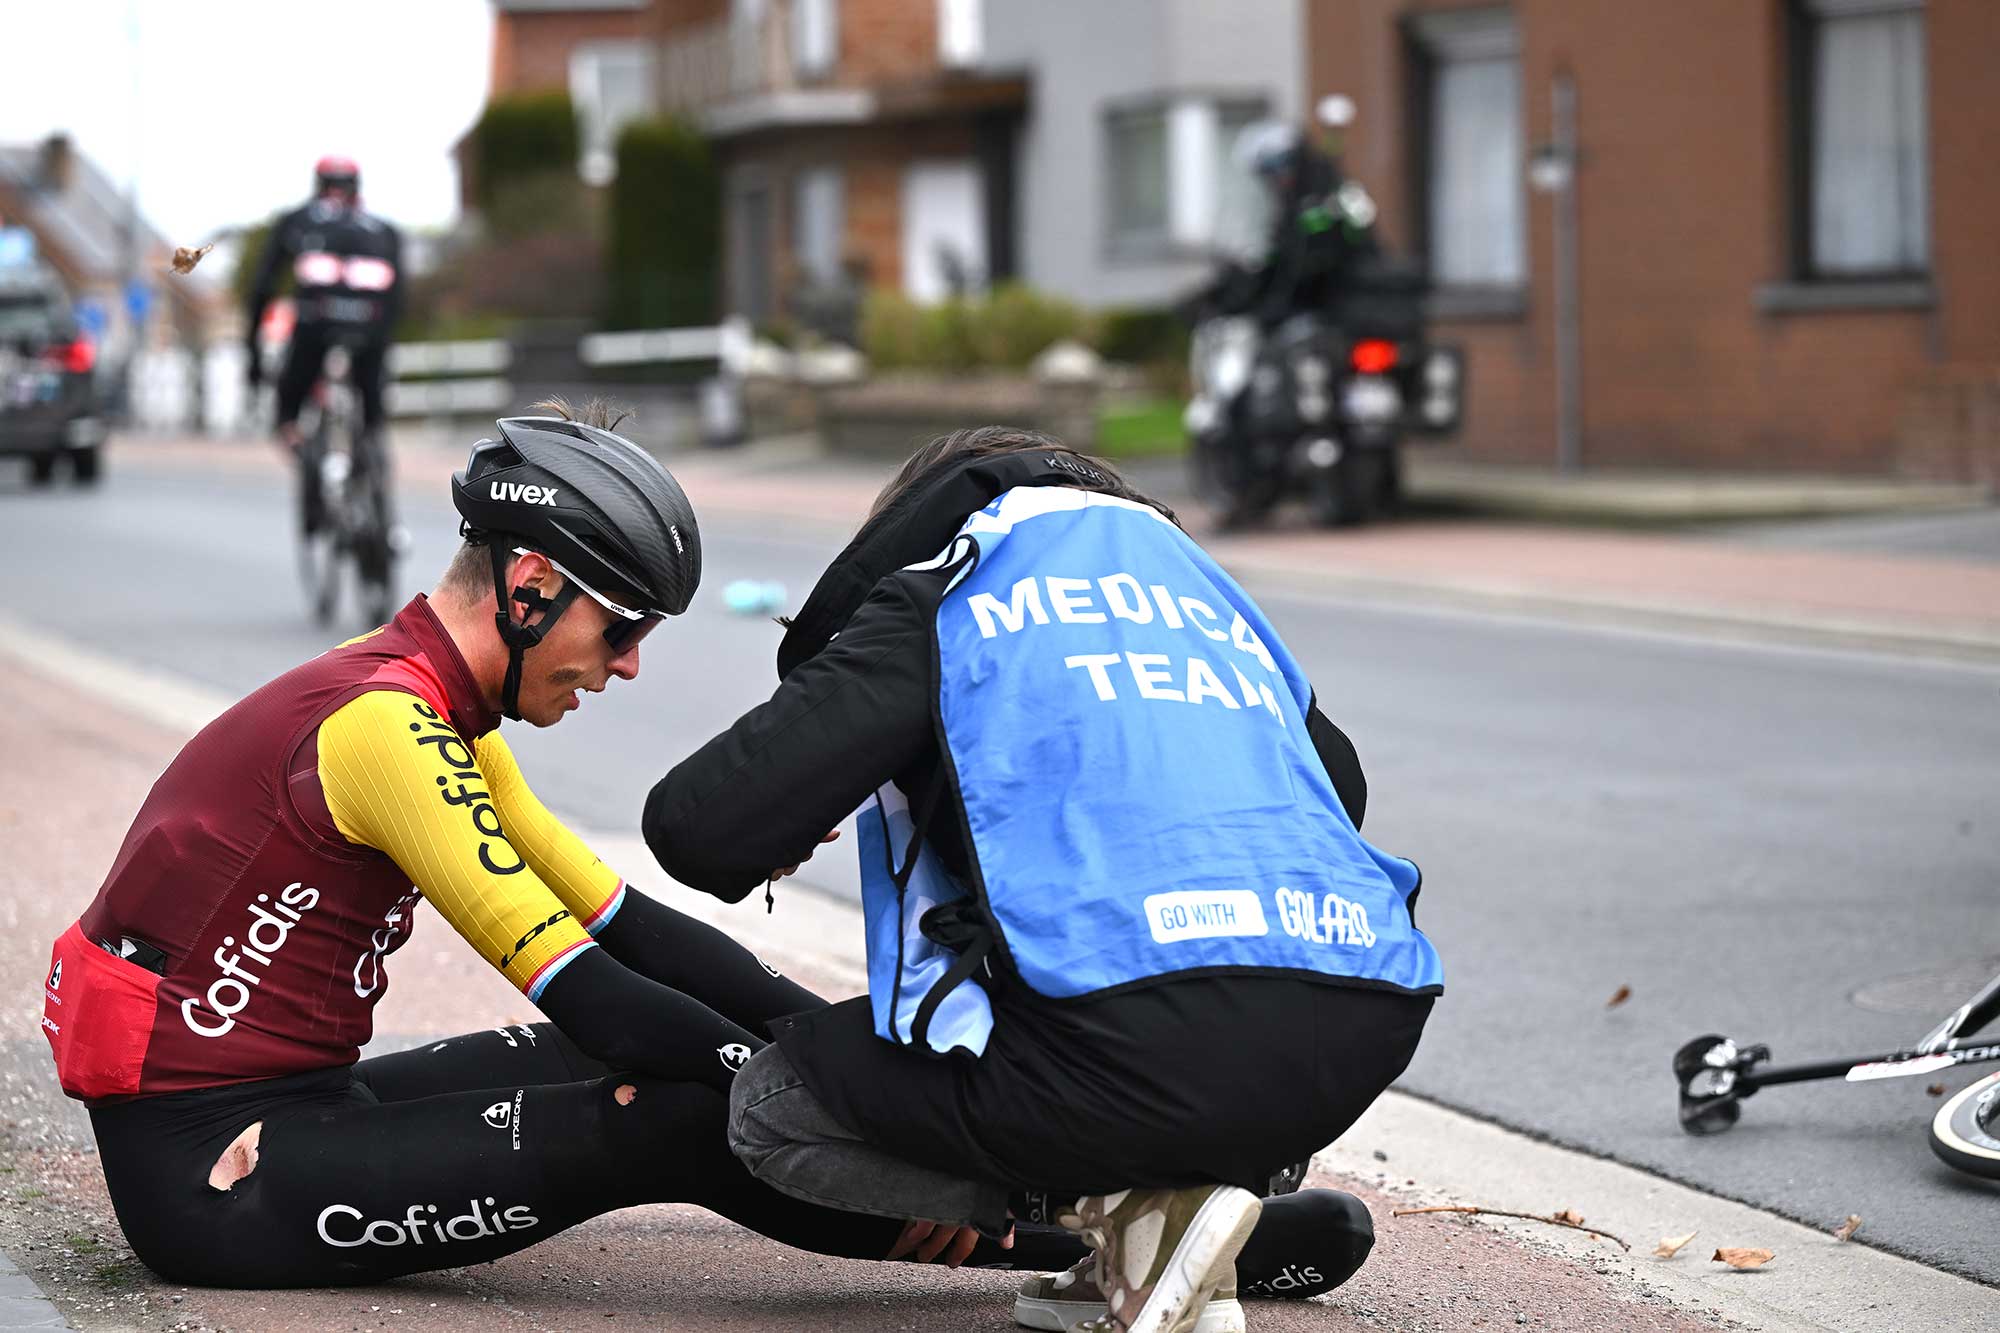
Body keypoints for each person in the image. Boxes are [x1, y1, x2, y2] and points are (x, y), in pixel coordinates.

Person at [38, 403, 1018, 1288]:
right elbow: (607, 1001)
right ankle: (1054, 1236)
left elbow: (642, 936)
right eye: (622, 623)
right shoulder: (385, 728)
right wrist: (887, 1130)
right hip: (215, 1175)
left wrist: (903, 1080)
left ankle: (1031, 1187)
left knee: (650, 1056)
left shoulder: (432, 708)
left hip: (303, 1099)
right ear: (531, 585)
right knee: (667, 1110)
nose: (629, 663)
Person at [643, 427, 1443, 1333]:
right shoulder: (1203, 601)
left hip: (1139, 1059)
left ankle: (1117, 1211)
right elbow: (1341, 791)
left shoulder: (952, 587)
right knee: (1200, 1064)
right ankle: (1170, 1215)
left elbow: (698, 829)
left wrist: (810, 798)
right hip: (1338, 1051)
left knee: (775, 1108)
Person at [243, 156, 402, 459]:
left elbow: (264, 286)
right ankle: (371, 453)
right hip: (369, 330)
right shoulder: (383, 230)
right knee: (372, 405)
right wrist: (384, 335)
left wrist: (253, 353)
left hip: (315, 327)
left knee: (291, 398)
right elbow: (397, 294)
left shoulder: (298, 221)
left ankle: (295, 439)